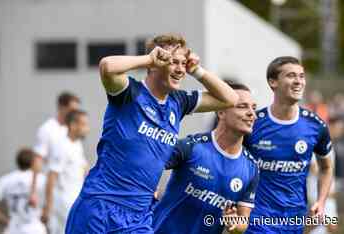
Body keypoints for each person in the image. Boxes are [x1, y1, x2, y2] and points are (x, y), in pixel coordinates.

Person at [65, 33, 239, 233]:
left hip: (139, 215)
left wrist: (197, 70)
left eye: (183, 63)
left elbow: (230, 99)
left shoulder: (178, 102)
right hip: (99, 205)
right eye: (174, 62)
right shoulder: (130, 92)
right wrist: (148, 59)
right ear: (155, 63)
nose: (180, 69)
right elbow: (106, 66)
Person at [153, 82, 259, 234]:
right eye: (242, 106)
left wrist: (235, 225)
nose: (252, 114)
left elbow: (243, 221)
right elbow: (148, 164)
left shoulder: (251, 168)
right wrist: (149, 188)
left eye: (253, 108)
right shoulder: (192, 146)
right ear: (221, 112)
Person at [244, 56, 333, 233]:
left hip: (294, 219)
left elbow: (326, 168)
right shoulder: (253, 123)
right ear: (273, 82)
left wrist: (321, 202)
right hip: (257, 218)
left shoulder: (316, 126)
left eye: (301, 76)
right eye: (291, 76)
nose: (298, 81)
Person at [41, 110, 90, 234]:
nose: (87, 129)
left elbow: (85, 169)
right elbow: (51, 177)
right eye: (84, 125)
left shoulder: (76, 144)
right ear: (73, 126)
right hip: (63, 205)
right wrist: (48, 207)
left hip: (76, 201)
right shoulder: (62, 146)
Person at [30, 92, 80, 205]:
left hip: (72, 191)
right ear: (61, 108)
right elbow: (38, 160)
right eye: (72, 109)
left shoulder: (72, 130)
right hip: (53, 192)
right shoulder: (47, 129)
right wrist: (33, 191)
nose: (75, 114)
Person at [0, 148, 46, 234]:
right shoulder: (42, 179)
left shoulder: (5, 179)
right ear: (33, 162)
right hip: (34, 227)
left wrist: (3, 220)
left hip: (13, 228)